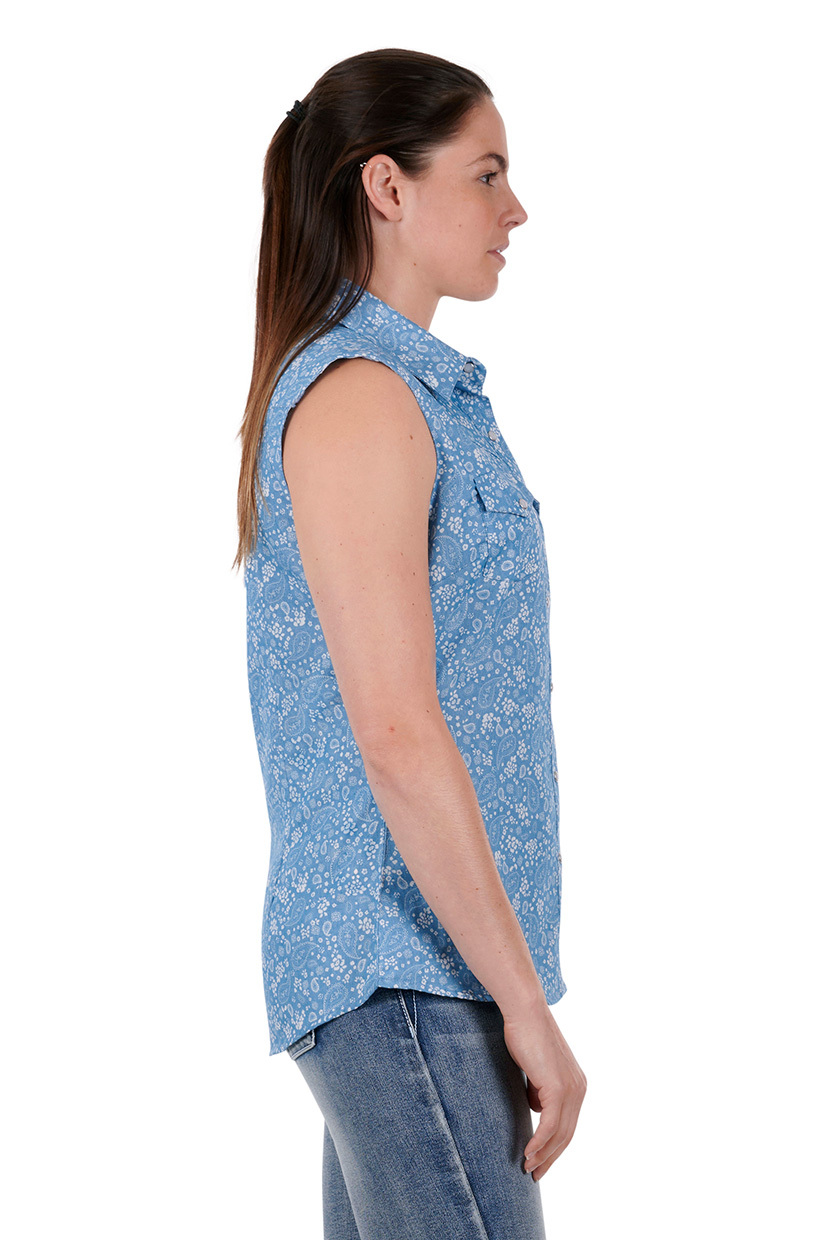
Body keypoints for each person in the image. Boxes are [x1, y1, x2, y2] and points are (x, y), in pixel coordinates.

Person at [234, 47, 587, 1240]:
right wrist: (523, 1002)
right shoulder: (360, 399)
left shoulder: (420, 397)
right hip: (401, 970)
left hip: (425, 974)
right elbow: (392, 728)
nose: (513, 209)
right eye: (485, 174)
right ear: (386, 186)